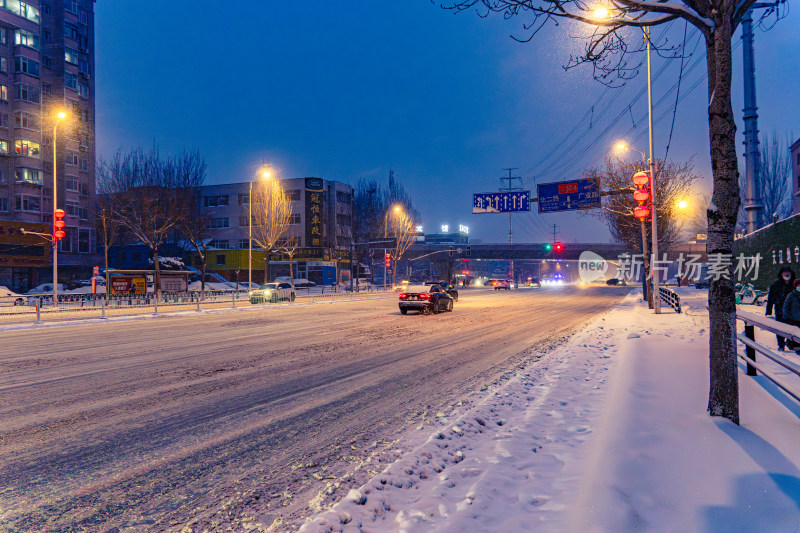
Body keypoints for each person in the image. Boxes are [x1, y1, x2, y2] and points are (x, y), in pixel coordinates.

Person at [767, 266, 795, 350]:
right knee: (780, 327)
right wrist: (768, 311)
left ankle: (791, 343)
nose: (786, 274)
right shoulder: (776, 285)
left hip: (793, 310)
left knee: (793, 327)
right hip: (780, 309)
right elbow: (770, 299)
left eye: (788, 272)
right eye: (784, 272)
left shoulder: (795, 284)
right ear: (781, 274)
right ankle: (781, 344)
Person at [781, 278, 800, 352]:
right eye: (798, 285)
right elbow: (786, 307)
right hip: (794, 320)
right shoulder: (791, 296)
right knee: (795, 334)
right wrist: (787, 318)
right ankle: (793, 345)